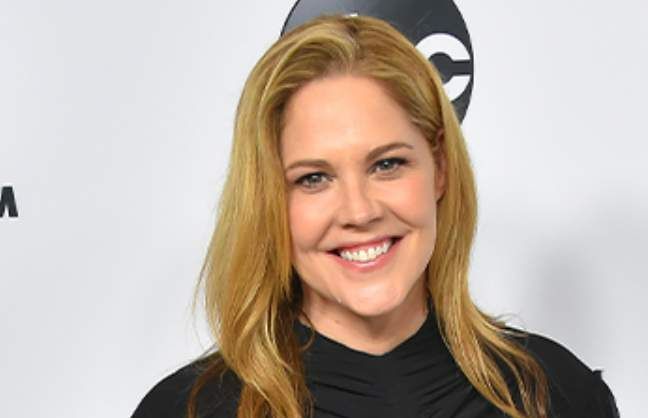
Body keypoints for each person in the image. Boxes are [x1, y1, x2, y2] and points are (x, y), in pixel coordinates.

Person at [132, 14, 619, 418]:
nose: (359, 211)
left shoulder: (555, 394)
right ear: (270, 201)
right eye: (313, 178)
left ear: (440, 171)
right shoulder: (189, 411)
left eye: (387, 164)